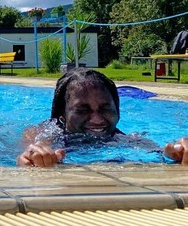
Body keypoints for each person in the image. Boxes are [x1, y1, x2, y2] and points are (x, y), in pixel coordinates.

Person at [17, 67, 184, 167]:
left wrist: (176, 153)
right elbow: (31, 149)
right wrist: (30, 156)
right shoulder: (43, 133)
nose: (96, 119)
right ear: (63, 115)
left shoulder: (124, 139)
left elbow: (158, 151)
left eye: (105, 109)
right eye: (83, 110)